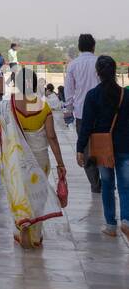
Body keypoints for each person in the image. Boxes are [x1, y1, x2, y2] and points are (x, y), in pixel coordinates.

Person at [0, 66, 65, 249]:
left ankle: (22, 223)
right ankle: (35, 236)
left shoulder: (6, 105)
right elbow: (51, 136)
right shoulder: (43, 106)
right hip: (40, 158)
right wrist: (60, 163)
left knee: (21, 192)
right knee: (38, 195)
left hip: (18, 159)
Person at [76, 55, 129, 238]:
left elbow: (87, 125)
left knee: (107, 184)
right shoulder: (125, 94)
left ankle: (110, 225)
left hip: (102, 147)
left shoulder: (92, 95)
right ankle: (126, 220)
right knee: (125, 185)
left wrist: (80, 148)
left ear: (97, 73)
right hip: (124, 145)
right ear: (114, 72)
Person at [65, 34, 102, 195]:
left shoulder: (73, 65)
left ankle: (95, 184)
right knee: (103, 145)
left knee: (85, 149)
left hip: (81, 113)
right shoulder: (100, 62)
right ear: (93, 46)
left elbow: (69, 91)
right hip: (101, 112)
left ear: (79, 47)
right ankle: (106, 180)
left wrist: (68, 108)